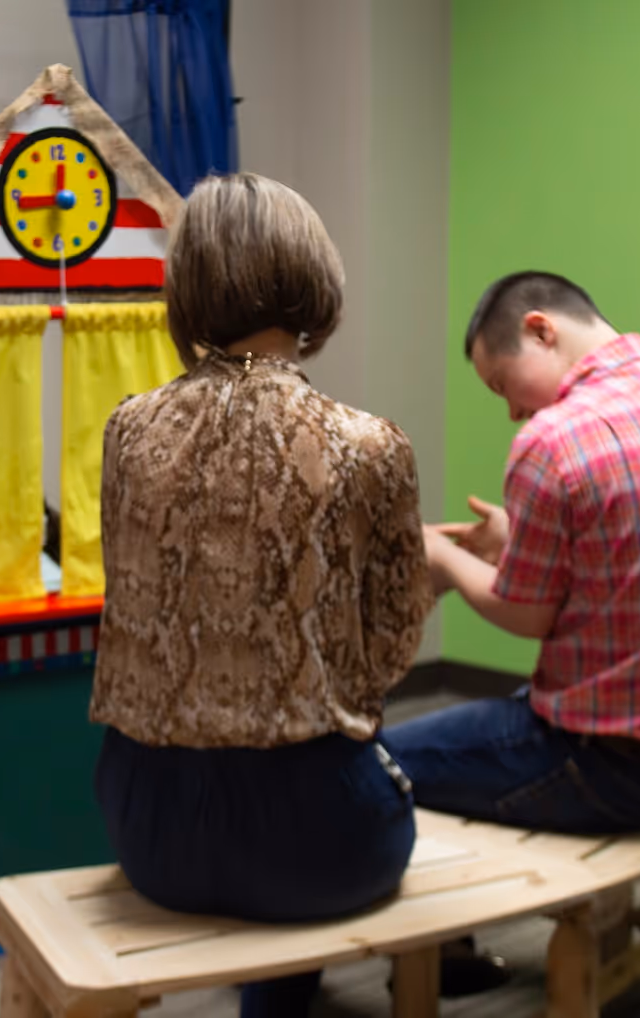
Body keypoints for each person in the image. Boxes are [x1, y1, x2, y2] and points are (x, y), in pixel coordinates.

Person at [90, 172, 433, 1018]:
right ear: (314, 279)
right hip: (320, 840)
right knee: (362, 775)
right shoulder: (370, 446)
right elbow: (390, 650)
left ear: (190, 288)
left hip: (150, 826)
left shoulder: (128, 431)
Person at [386, 272, 640, 837]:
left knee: (369, 764)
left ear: (540, 331)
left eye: (501, 385)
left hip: (616, 769)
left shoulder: (553, 439)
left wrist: (440, 557)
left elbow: (526, 616)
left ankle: (446, 925)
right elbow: (635, 562)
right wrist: (516, 540)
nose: (513, 412)